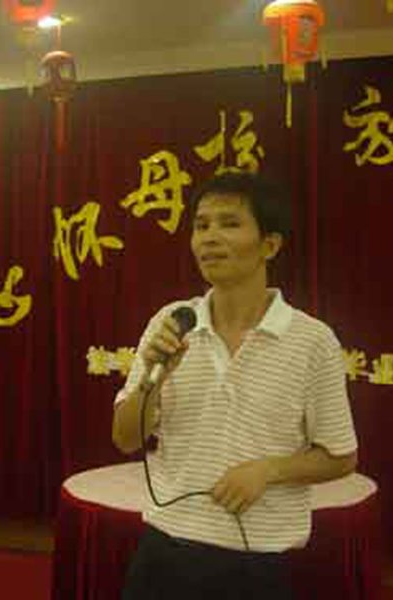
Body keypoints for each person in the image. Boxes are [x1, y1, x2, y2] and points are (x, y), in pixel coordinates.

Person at [111, 172, 358, 600]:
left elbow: (341, 457)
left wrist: (269, 470)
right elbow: (125, 438)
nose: (210, 237)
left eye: (229, 223)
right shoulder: (173, 322)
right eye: (201, 225)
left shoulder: (312, 340)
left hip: (255, 564)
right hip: (164, 552)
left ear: (270, 245)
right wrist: (157, 375)